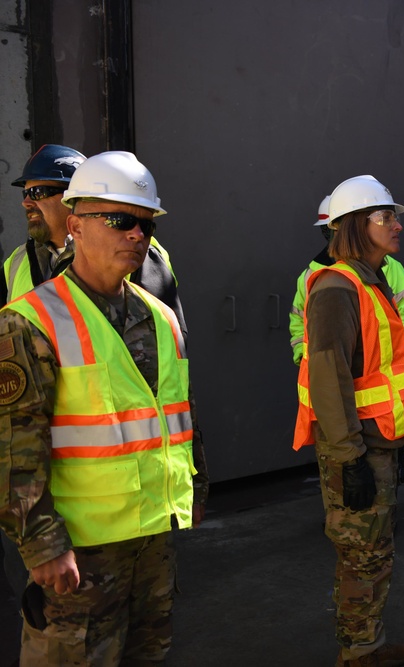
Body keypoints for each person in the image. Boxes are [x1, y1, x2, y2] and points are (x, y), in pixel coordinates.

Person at [0, 150, 208, 665]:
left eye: (144, 223)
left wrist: (195, 485)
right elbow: (13, 447)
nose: (137, 235)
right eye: (120, 220)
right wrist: (42, 543)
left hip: (152, 540)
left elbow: (180, 411)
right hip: (79, 552)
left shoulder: (159, 315)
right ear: (75, 225)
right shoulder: (30, 320)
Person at [293, 175, 404, 667]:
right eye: (385, 217)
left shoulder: (374, 281)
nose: (396, 226)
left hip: (377, 443)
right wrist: (350, 458)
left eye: (395, 216)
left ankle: (366, 643)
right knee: (361, 555)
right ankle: (358, 653)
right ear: (354, 226)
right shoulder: (336, 288)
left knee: (374, 552)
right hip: (356, 448)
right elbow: (329, 376)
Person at [5, 144, 188, 334]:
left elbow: (161, 340)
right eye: (25, 193)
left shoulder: (134, 250)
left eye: (38, 192)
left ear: (74, 197)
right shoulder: (17, 262)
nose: (26, 202)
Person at [289, 195, 404, 365]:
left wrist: (400, 352)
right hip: (325, 373)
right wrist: (304, 355)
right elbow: (298, 319)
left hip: (378, 374)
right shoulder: (311, 274)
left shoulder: (387, 266)